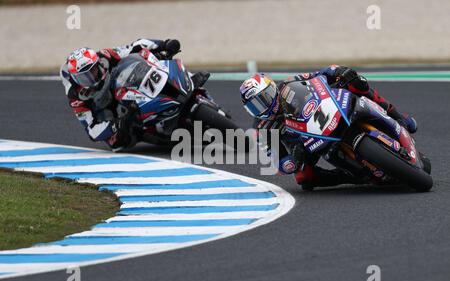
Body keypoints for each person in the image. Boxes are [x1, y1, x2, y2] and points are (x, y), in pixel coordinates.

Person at [239, 66, 418, 190]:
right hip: (307, 144)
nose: (263, 106)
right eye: (256, 105)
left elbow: (322, 73)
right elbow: (279, 162)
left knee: (358, 84)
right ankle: (349, 177)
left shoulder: (290, 83)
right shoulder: (263, 128)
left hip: (328, 112)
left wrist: (340, 72)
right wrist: (293, 160)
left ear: (272, 89)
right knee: (304, 179)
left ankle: (399, 117)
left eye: (265, 98)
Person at [60, 38, 209, 151]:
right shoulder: (76, 96)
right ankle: (156, 132)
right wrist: (114, 125)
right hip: (112, 113)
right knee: (117, 144)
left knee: (156, 59)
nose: (91, 78)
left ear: (97, 63)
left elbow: (134, 46)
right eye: (84, 77)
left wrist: (163, 44)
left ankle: (186, 80)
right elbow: (92, 130)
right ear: (75, 78)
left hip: (124, 87)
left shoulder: (105, 56)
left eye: (92, 71)